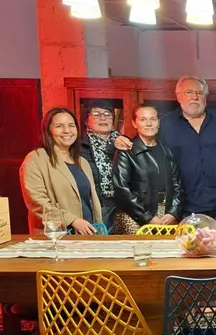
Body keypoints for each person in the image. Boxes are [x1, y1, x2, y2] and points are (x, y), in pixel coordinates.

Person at [20, 108, 102, 235]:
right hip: (55, 236)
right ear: (48, 130)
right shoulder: (36, 159)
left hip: (87, 234)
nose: (67, 130)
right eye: (59, 126)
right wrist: (72, 220)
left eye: (71, 125)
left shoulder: (82, 162)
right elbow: (37, 202)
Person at [159, 75, 216, 221]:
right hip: (182, 207)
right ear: (179, 97)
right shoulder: (165, 124)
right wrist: (120, 140)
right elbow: (146, 146)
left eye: (199, 93)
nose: (195, 97)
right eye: (189, 92)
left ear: (205, 97)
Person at [112, 106, 184, 234]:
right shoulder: (126, 152)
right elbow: (122, 189)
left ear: (158, 122)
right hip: (133, 218)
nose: (149, 123)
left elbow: (177, 185)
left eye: (153, 119)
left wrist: (173, 212)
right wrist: (148, 216)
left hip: (164, 218)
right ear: (134, 123)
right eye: (143, 119)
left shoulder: (166, 151)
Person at [79, 100, 132, 232]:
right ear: (86, 121)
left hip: (124, 206)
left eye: (107, 114)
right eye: (96, 114)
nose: (103, 118)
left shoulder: (126, 143)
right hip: (96, 206)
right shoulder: (80, 146)